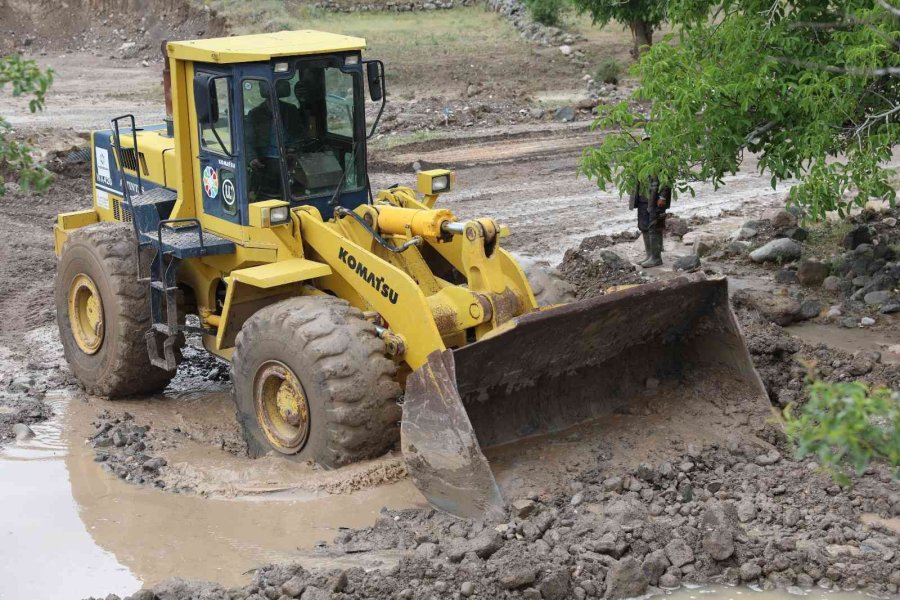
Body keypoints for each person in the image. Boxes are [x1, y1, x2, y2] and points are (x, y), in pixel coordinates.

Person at [629, 166, 671, 268]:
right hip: (642, 198)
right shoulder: (637, 157)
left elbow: (666, 178)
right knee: (643, 226)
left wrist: (662, 196)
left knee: (654, 227)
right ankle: (649, 255)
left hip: (655, 199)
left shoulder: (658, 155)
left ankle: (656, 258)